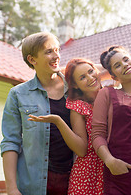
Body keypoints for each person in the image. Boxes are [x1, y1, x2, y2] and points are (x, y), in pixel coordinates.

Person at [0, 32, 73, 195]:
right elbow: (11, 142)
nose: (57, 56)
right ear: (32, 59)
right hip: (34, 184)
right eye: (49, 52)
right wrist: (11, 188)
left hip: (75, 179)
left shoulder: (75, 87)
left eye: (57, 49)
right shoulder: (18, 94)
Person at [28, 58, 104, 195]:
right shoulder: (78, 106)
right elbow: (81, 150)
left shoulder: (112, 95)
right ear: (74, 85)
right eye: (82, 77)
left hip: (113, 168)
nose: (90, 78)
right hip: (87, 175)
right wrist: (58, 121)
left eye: (91, 71)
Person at [91, 46, 131, 195]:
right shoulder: (106, 94)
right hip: (117, 177)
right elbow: (97, 134)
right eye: (117, 65)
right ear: (114, 76)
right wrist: (110, 161)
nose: (125, 65)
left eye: (126, 60)